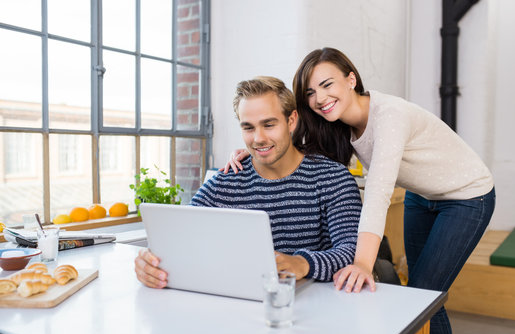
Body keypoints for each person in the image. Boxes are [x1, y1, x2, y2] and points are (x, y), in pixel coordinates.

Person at [223, 48, 495, 334]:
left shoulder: (390, 116)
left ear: (351, 79)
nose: (319, 98)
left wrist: (363, 263)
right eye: (310, 92)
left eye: (327, 84)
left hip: (467, 194)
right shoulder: (337, 121)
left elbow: (378, 194)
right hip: (422, 195)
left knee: (426, 297)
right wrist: (251, 149)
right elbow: (287, 143)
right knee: (418, 294)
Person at [135, 75, 362, 289]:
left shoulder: (333, 178)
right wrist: (150, 263)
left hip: (314, 308)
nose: (258, 138)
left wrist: (303, 263)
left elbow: (352, 251)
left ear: (291, 121)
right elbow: (180, 240)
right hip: (238, 307)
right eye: (248, 127)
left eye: (269, 124)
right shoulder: (224, 183)